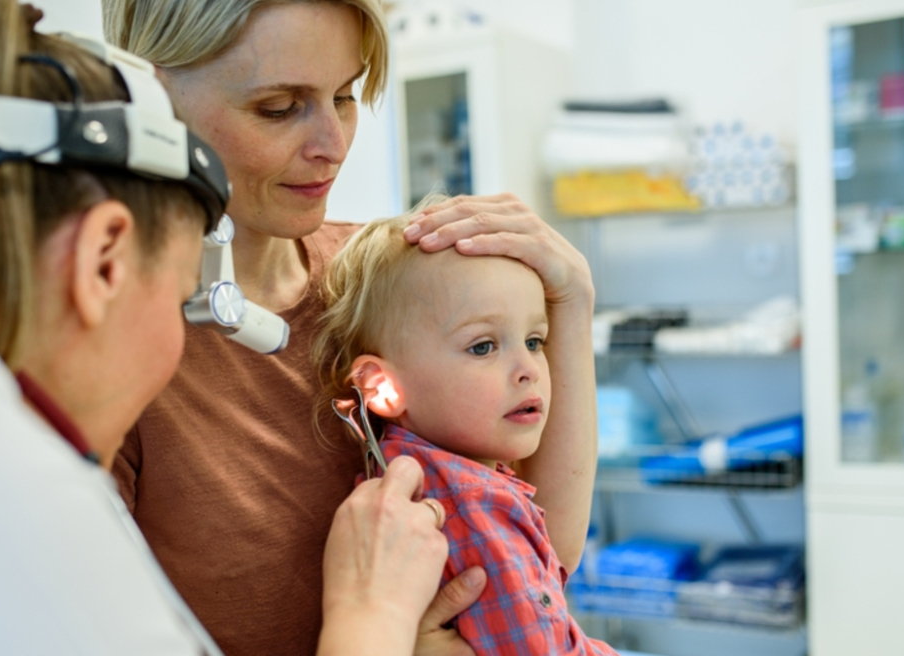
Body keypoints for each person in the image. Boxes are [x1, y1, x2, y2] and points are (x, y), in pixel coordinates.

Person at [0, 1, 449, 654]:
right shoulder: (1, 506)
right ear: (102, 260)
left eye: (345, 97)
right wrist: (370, 618)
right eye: (186, 287)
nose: (333, 143)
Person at [102, 1, 600, 653]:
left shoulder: (386, 280)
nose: (331, 146)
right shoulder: (106, 352)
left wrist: (573, 300)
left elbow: (543, 552)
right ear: (146, 96)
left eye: (344, 96)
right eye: (279, 107)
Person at [312, 209, 621, 655]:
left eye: (535, 341)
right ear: (381, 388)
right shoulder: (472, 504)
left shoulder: (423, 464)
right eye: (483, 346)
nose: (529, 370)